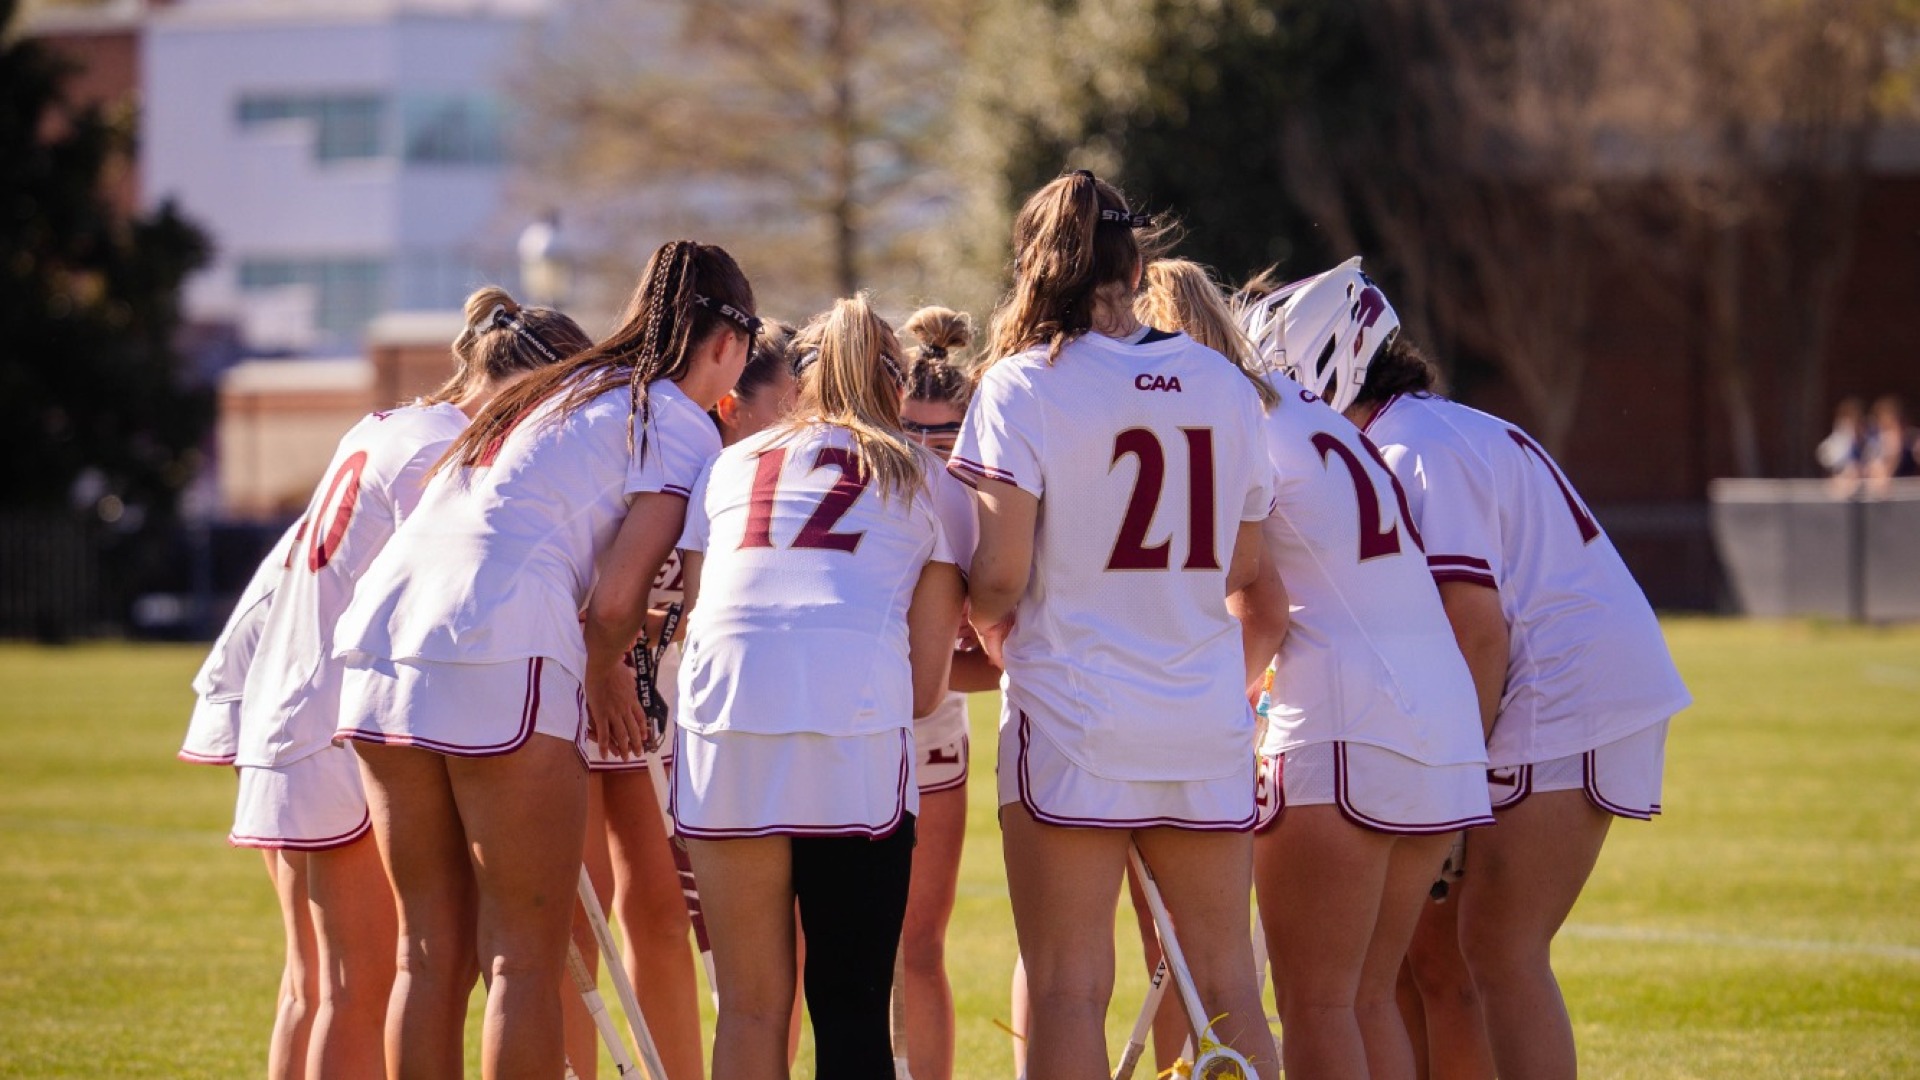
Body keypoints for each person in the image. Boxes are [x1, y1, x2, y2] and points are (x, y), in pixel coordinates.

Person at [1245, 256, 1692, 1080]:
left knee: (1498, 950)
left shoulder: (1411, 446)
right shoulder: (1424, 431)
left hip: (1556, 694)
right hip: (1559, 688)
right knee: (1429, 960)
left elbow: (1474, 626)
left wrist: (1454, 780)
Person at [332, 242, 756, 1078]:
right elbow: (614, 600)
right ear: (727, 344)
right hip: (498, 644)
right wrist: (603, 672)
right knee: (522, 957)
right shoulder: (670, 415)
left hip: (379, 639)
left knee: (427, 953)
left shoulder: (556, 392)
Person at [951, 171, 1282, 1079]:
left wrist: (980, 619)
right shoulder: (1221, 381)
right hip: (1201, 713)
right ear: (1136, 263)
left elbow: (1001, 574)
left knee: (1068, 984)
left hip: (1074, 716)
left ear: (1033, 263)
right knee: (1227, 983)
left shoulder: (1022, 386)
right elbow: (1244, 566)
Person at [1140, 257, 1494, 1080]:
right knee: (1367, 998)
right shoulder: (1315, 415)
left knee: (1319, 1003)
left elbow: (1259, 611)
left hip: (1347, 719)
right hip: (1436, 722)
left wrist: (1196, 711)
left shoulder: (1233, 419)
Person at [230, 286, 587, 1080]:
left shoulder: (388, 423)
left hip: (297, 698)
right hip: (357, 708)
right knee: (363, 983)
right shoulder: (454, 445)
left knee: (320, 985)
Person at [671, 294, 968, 1080]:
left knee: (748, 1006)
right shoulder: (930, 483)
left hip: (722, 720)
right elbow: (926, 686)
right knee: (851, 1008)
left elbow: (707, 608)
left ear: (803, 377)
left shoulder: (729, 463)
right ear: (896, 384)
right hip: (850, 726)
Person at [569, 320, 799, 1080]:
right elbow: (592, 579)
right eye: (784, 406)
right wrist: (615, 654)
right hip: (585, 685)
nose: (796, 426)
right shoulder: (669, 446)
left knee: (666, 914)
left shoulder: (755, 479)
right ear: (732, 402)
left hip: (667, 707)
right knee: (581, 922)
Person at [896, 304, 989, 1080]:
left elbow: (1011, 660)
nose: (928, 454)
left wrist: (924, 667)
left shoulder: (990, 515)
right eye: (912, 435)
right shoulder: (864, 498)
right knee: (803, 951)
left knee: (918, 949)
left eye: (945, 437)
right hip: (838, 732)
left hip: (930, 738)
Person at [178, 523, 305, 1079]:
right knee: (348, 974)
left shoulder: (382, 438)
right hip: (294, 684)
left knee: (318, 973)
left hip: (269, 675)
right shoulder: (431, 448)